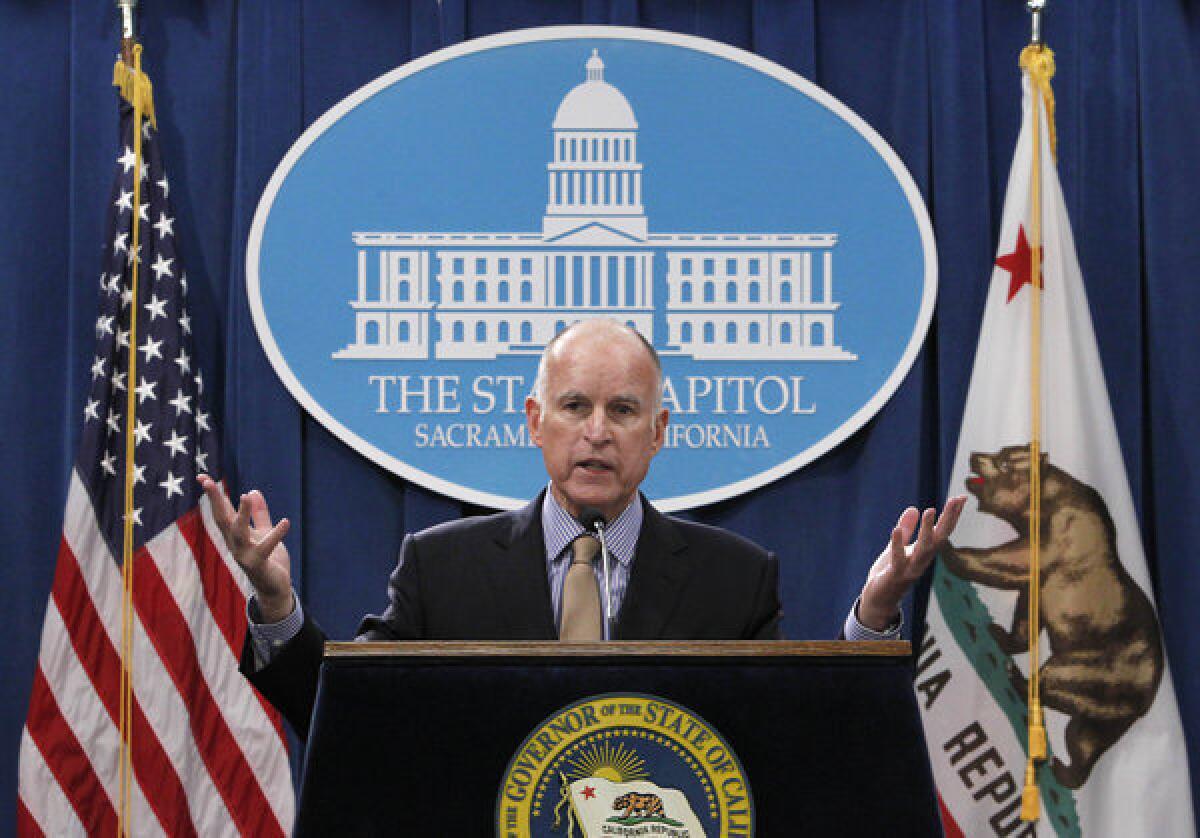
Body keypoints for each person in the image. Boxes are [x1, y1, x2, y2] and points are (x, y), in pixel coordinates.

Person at [200, 319, 964, 737]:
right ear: (536, 422)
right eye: (574, 407)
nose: (597, 432)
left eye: (623, 411)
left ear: (658, 432)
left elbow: (793, 736)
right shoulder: (443, 567)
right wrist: (276, 607)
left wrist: (871, 619)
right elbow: (346, 715)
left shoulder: (734, 576)